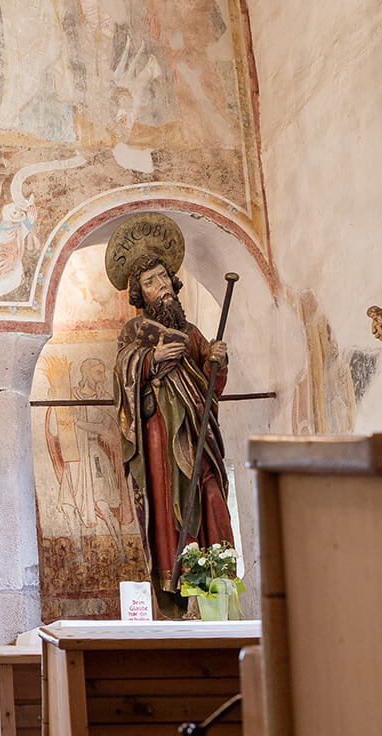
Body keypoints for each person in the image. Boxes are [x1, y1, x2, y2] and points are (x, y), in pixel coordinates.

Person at [108, 212, 233, 614]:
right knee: (172, 506)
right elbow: (124, 372)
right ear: (139, 294)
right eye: (150, 283)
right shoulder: (135, 333)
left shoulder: (192, 332)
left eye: (163, 278)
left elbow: (211, 388)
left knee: (210, 493)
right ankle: (184, 591)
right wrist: (150, 359)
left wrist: (217, 361)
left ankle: (218, 585)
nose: (160, 287)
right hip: (161, 434)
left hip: (198, 433)